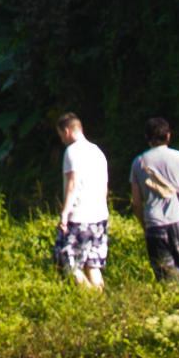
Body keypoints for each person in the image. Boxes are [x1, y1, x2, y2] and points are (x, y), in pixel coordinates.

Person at [131, 117, 179, 282]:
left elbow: (136, 204)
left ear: (147, 137)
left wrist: (145, 226)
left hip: (154, 225)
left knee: (166, 277)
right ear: (168, 136)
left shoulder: (138, 163)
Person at [51, 114, 110, 290]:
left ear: (67, 132)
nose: (61, 139)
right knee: (93, 264)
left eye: (61, 135)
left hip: (79, 216)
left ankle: (87, 298)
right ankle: (99, 300)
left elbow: (72, 184)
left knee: (69, 263)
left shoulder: (72, 152)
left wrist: (64, 214)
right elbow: (105, 187)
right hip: (100, 215)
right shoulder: (98, 151)